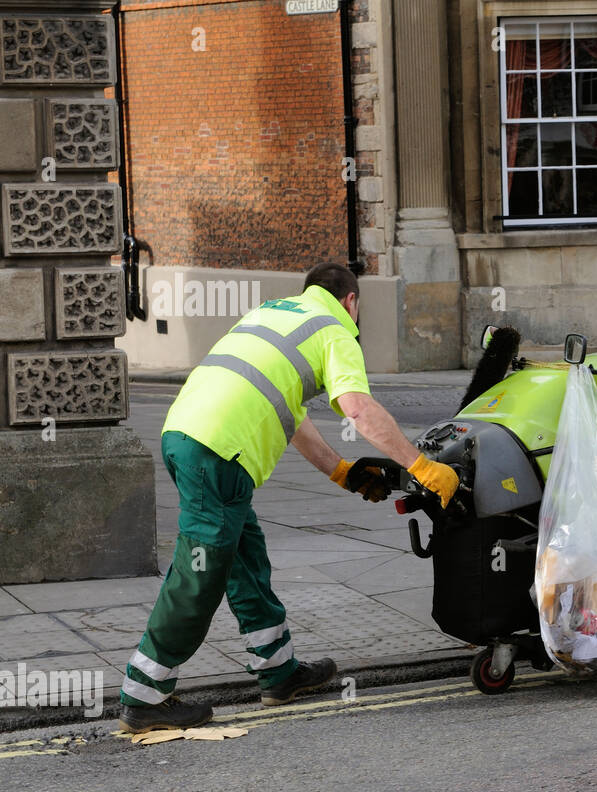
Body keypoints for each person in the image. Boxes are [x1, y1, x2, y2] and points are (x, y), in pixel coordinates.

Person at [118, 263, 458, 732]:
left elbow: (289, 415)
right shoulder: (336, 328)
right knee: (200, 570)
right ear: (351, 301)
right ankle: (145, 695)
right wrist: (421, 465)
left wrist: (340, 470)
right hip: (218, 452)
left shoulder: (275, 314)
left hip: (186, 435)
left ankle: (278, 672)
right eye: (357, 311)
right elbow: (358, 407)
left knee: (244, 559)